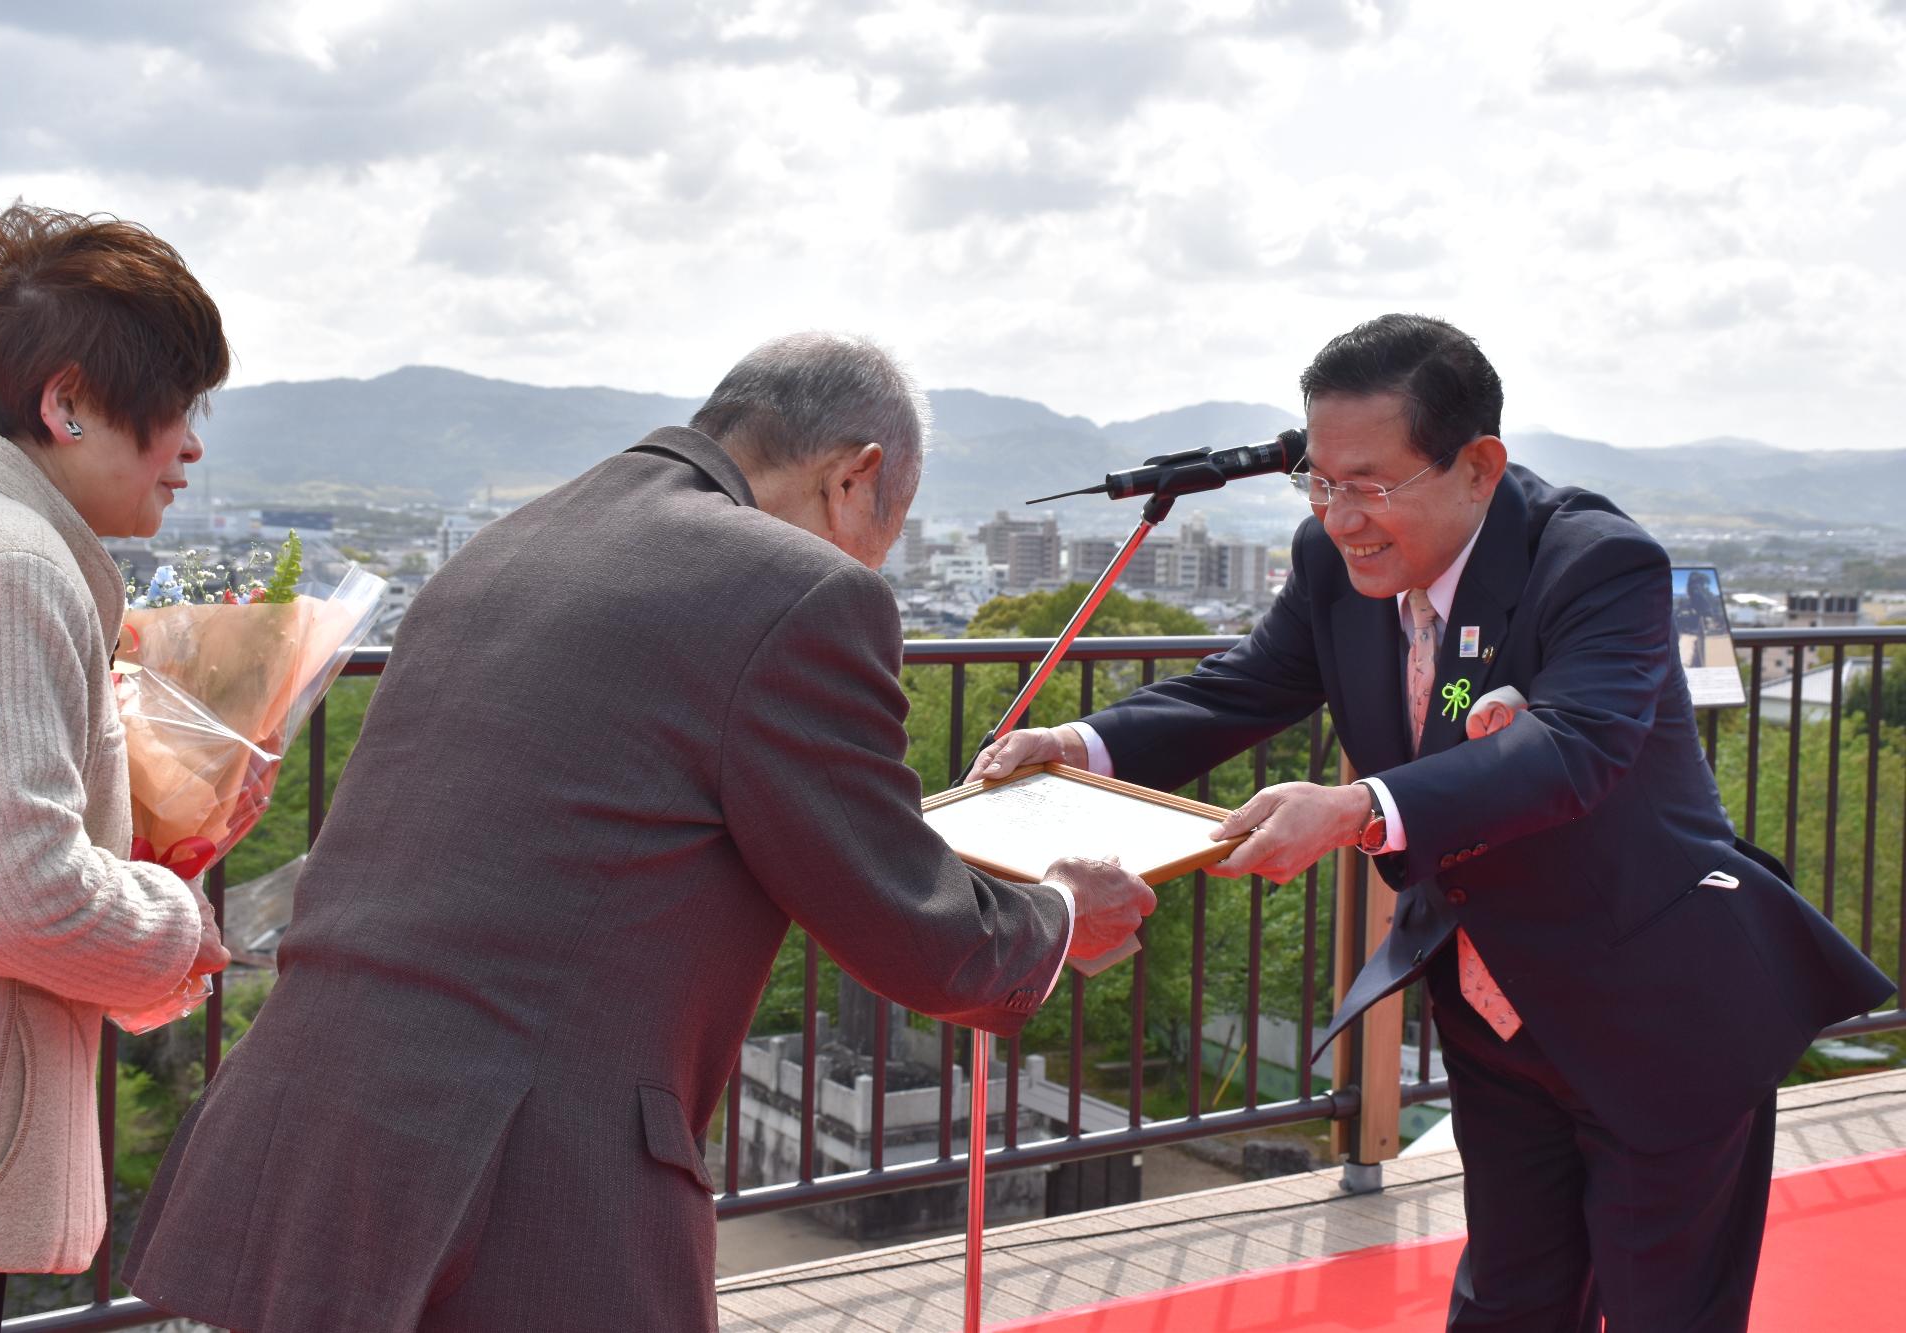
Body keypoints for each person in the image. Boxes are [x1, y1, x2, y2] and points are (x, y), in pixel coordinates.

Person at [124, 332, 1157, 1332]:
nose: (874, 567)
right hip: (520, 1173)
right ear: (856, 478)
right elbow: (915, 925)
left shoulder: (508, 541)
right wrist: (1060, 908)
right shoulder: (800, 591)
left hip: (308, 1122)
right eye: (886, 533)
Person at [973, 313, 1895, 1332]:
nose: (1338, 516)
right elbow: (1238, 690)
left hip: (1656, 1008)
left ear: (1477, 465)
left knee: (1663, 1308)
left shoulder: (1597, 563)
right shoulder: (1334, 566)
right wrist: (1076, 742)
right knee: (1507, 1301)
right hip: (1496, 1011)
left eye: (1367, 484)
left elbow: (1569, 750)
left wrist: (1358, 807)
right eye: (1316, 481)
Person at [0, 203, 232, 1330]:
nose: (190, 445)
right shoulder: (2, 564)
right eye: (178, 406)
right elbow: (9, 897)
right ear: (66, 403)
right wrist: (181, 925)